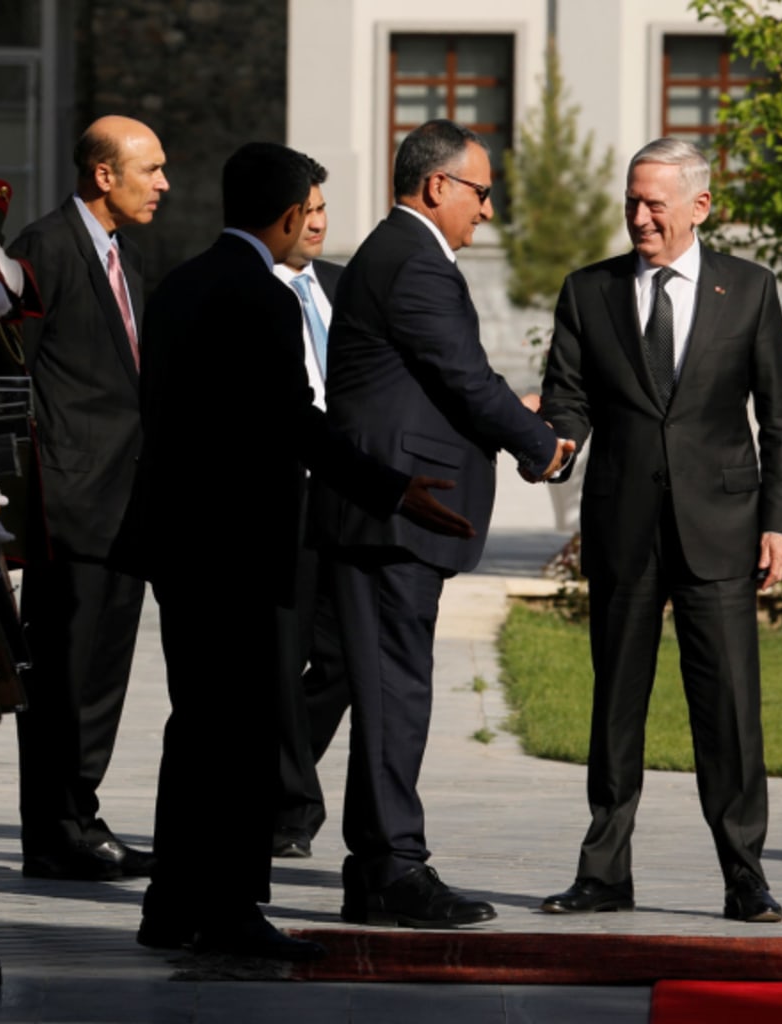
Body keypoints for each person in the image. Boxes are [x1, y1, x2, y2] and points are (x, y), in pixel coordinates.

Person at [120, 140, 474, 960]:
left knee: (197, 727)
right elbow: (295, 423)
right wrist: (393, 486)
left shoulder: (177, 284)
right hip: (240, 546)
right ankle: (233, 908)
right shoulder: (264, 298)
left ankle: (173, 903)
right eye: (308, 211)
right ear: (286, 216)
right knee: (245, 733)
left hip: (178, 544)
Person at [539, 138, 782, 923]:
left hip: (721, 530)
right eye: (632, 200)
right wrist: (549, 447)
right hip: (623, 527)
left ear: (700, 207)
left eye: (656, 202)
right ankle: (603, 873)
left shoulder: (749, 290)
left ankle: (744, 874)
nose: (640, 216)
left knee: (727, 709)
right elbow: (569, 399)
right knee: (616, 706)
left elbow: (781, 422)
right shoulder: (588, 291)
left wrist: (781, 525)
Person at [314, 118, 570, 929]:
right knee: (395, 691)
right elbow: (463, 377)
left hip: (392, 505)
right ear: (438, 186)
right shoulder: (415, 260)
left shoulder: (401, 255)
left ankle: (373, 864)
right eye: (482, 191)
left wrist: (515, 418)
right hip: (397, 506)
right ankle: (393, 866)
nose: (487, 211)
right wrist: (542, 447)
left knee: (382, 687)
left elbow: (446, 379)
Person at [7, 116, 168, 881]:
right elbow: (13, 379)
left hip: (130, 501)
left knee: (103, 675)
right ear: (105, 175)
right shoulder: (44, 248)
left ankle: (83, 815)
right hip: (69, 504)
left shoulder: (128, 256)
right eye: (151, 170)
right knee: (60, 677)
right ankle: (52, 832)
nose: (164, 184)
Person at [270, 161, 351, 859]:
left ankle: (278, 785)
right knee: (282, 654)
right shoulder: (250, 295)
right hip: (283, 497)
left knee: (344, 659)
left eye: (325, 208)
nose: (320, 221)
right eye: (309, 209)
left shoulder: (336, 288)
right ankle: (291, 803)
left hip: (340, 496)